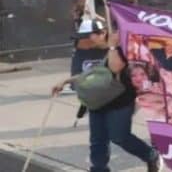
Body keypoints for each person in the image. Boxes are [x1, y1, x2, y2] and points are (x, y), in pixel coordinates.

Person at [51, 20, 163, 172]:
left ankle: (150, 155)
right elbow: (90, 74)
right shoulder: (87, 51)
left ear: (102, 33)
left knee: (119, 137)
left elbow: (115, 67)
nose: (82, 42)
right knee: (97, 141)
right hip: (97, 100)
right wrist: (65, 81)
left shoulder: (121, 46)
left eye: (86, 37)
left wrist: (112, 46)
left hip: (120, 101)